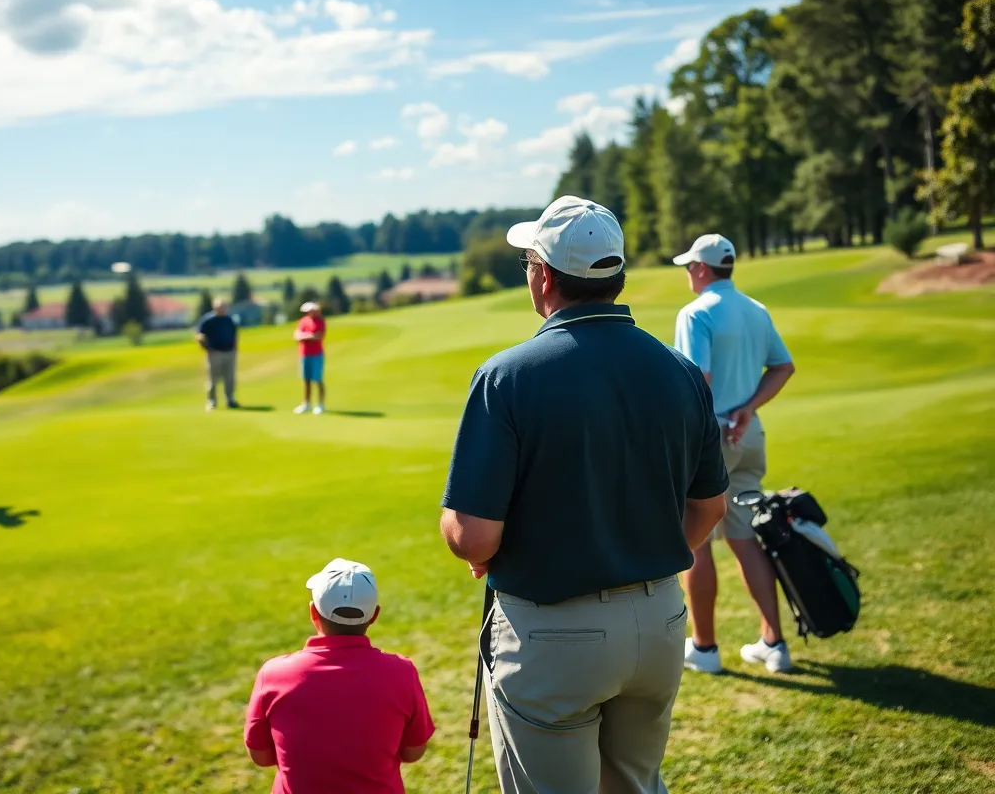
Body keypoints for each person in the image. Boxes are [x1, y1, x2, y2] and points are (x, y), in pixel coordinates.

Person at [439, 195, 728, 794]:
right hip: (660, 623)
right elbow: (708, 508)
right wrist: (641, 555)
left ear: (543, 275)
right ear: (614, 275)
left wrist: (471, 547)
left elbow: (474, 534)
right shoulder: (678, 371)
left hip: (552, 635)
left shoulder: (506, 377)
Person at [672, 233, 798, 675]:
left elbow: (697, 381)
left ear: (702, 270)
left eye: (690, 266)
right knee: (746, 539)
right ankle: (774, 642)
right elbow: (782, 366)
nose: (689, 273)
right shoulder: (755, 309)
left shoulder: (696, 313)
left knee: (697, 542)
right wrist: (747, 409)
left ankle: (704, 649)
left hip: (712, 440)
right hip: (749, 436)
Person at [244, 558, 435, 793]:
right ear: (374, 615)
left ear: (313, 611)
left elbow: (261, 756)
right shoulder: (402, 672)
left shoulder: (273, 673)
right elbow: (413, 751)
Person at [195, 298, 239, 411]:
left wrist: (235, 348)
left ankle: (230, 399)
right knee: (213, 379)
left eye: (224, 307)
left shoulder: (229, 320)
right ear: (215, 308)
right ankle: (212, 401)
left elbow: (234, 335)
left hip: (229, 352)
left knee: (230, 378)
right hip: (214, 353)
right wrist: (206, 348)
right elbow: (199, 335)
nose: (222, 309)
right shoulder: (208, 320)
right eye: (220, 307)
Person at [293, 301, 326, 415]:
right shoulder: (303, 321)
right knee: (306, 380)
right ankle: (306, 403)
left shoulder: (320, 322)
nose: (309, 313)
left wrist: (305, 336)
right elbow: (297, 336)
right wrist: (308, 336)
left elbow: (318, 337)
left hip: (316, 354)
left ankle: (320, 404)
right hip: (304, 354)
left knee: (317, 379)